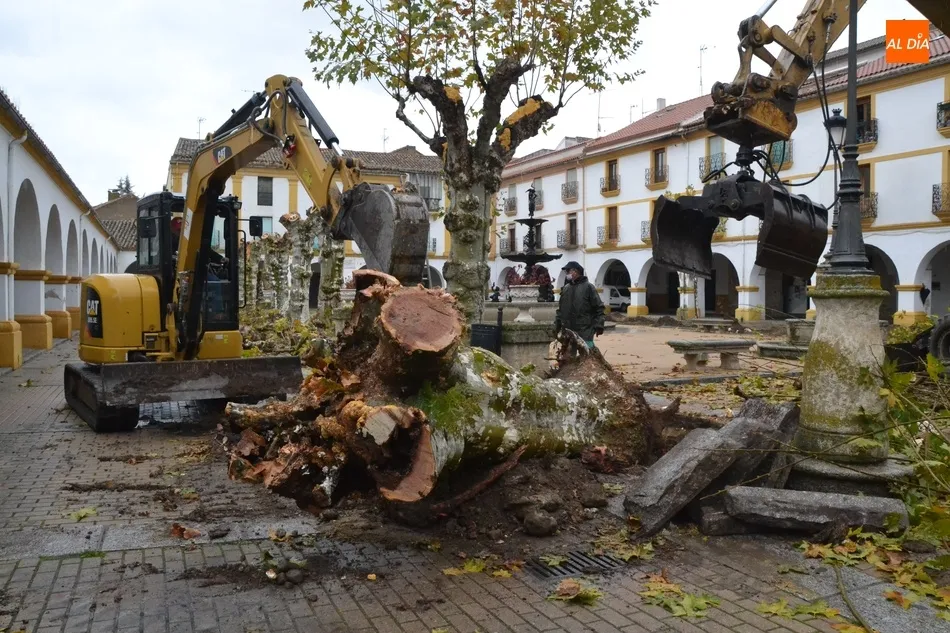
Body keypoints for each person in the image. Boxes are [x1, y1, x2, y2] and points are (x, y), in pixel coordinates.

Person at [554, 261, 605, 349]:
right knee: (569, 356)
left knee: (586, 356)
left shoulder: (588, 287)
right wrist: (557, 325)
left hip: (585, 329)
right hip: (568, 329)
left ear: (575, 271)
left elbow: (599, 307)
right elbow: (560, 310)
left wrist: (599, 325)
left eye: (568, 271)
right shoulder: (566, 288)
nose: (567, 274)